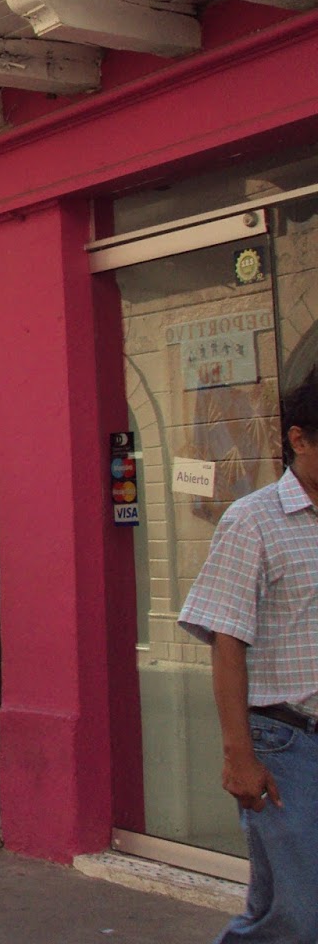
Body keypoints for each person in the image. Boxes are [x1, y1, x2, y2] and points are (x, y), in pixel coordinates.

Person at [179, 371, 318, 943]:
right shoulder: (253, 520)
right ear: (299, 440)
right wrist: (239, 755)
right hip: (284, 745)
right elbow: (226, 638)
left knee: (283, 912)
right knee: (300, 915)